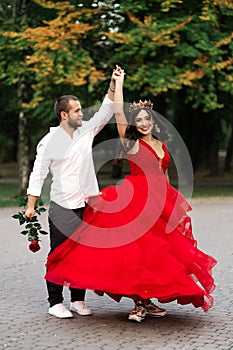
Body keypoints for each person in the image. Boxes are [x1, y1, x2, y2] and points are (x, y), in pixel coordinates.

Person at [45, 67, 217, 323]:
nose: (144, 123)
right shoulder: (132, 141)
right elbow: (117, 110)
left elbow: (165, 174)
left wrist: (171, 202)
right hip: (135, 200)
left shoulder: (162, 145)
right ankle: (138, 302)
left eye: (147, 119)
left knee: (158, 253)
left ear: (153, 121)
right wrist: (119, 82)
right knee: (137, 252)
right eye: (139, 120)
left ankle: (146, 300)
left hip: (159, 201)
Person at [25, 68, 117, 319]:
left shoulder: (86, 131)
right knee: (59, 253)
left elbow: (105, 111)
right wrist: (31, 205)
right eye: (77, 110)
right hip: (62, 206)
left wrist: (113, 83)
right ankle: (55, 302)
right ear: (64, 114)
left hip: (87, 204)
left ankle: (78, 300)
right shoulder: (48, 141)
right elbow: (38, 173)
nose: (81, 113)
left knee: (83, 254)